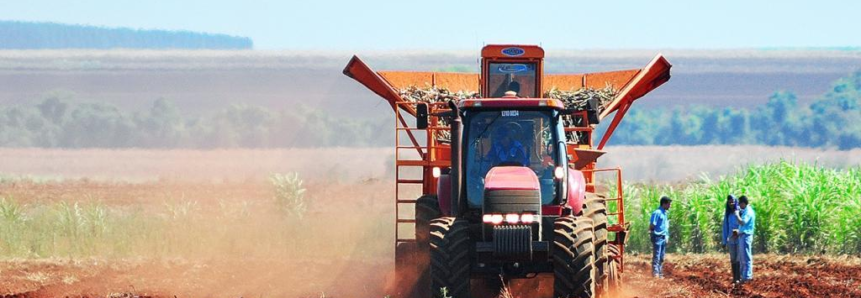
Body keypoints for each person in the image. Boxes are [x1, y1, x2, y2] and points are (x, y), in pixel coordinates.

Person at [734, 195, 756, 284]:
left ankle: (747, 277)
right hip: (742, 235)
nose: (739, 205)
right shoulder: (745, 211)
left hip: (746, 236)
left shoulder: (748, 212)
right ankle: (744, 276)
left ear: (743, 203)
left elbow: (743, 222)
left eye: (740, 203)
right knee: (743, 257)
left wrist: (736, 215)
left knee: (746, 257)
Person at [649, 196, 672, 278]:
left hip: (663, 237)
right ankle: (655, 273)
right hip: (657, 237)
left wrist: (666, 236)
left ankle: (660, 273)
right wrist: (653, 234)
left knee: (661, 257)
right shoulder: (657, 213)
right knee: (657, 256)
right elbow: (652, 225)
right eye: (669, 204)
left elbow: (665, 226)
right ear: (664, 204)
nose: (670, 206)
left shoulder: (664, 213)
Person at [721, 195, 741, 283]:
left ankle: (739, 277)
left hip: (740, 238)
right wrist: (724, 241)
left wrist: (739, 231)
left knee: (739, 258)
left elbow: (744, 224)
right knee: (733, 259)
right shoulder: (728, 215)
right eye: (729, 202)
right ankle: (735, 278)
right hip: (731, 239)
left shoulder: (740, 212)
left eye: (732, 201)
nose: (731, 204)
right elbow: (725, 227)